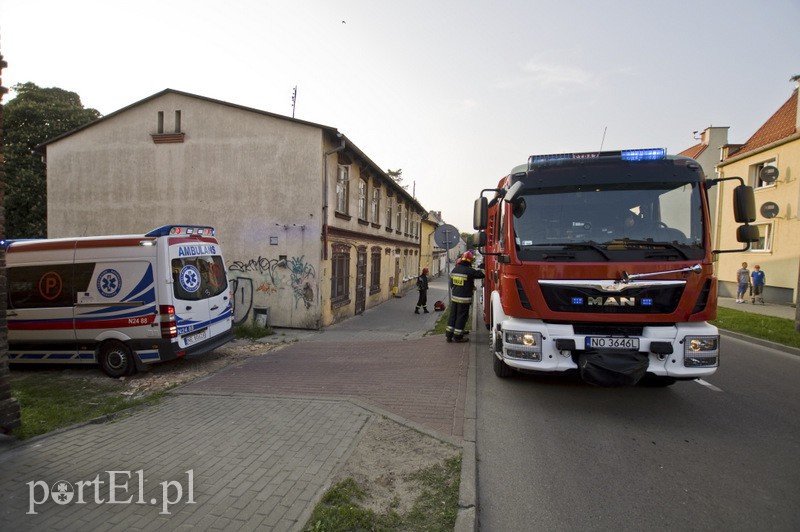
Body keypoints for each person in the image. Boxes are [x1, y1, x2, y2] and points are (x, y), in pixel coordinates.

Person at [446, 250, 485, 343]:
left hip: (455, 297)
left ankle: (449, 335)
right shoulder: (469, 270)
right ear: (470, 261)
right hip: (464, 299)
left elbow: (451, 284)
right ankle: (458, 336)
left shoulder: (455, 269)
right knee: (461, 316)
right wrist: (483, 267)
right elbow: (481, 275)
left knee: (453, 315)